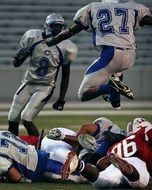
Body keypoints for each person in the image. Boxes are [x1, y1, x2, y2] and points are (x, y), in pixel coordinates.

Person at [45, 0, 152, 109]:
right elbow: (148, 20)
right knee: (116, 73)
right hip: (131, 55)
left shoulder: (93, 7)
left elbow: (71, 31)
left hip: (111, 54)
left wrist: (53, 41)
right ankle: (116, 103)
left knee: (83, 94)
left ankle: (110, 88)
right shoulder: (132, 7)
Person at [8, 13, 78, 136]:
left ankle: (35, 150)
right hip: (28, 84)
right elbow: (16, 64)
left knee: (26, 118)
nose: (57, 29)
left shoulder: (67, 47)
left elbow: (66, 75)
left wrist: (61, 99)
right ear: (46, 26)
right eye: (54, 26)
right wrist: (19, 58)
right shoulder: (32, 37)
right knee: (12, 117)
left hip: (45, 87)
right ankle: (11, 146)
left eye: (59, 26)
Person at [61, 117, 152, 188]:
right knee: (140, 183)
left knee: (102, 182)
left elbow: (101, 163)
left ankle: (79, 165)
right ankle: (126, 168)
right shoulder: (143, 133)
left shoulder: (116, 145)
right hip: (132, 161)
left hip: (111, 157)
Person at [0, 129, 85, 183]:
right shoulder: (3, 133)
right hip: (43, 154)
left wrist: (4, 178)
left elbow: (16, 177)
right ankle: (87, 154)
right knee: (81, 165)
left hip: (39, 169)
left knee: (83, 176)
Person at [47, 117, 126, 164]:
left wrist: (62, 136)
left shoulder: (104, 132)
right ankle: (91, 149)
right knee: (88, 157)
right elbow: (79, 141)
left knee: (91, 159)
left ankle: (90, 150)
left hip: (114, 143)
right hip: (118, 145)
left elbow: (80, 138)